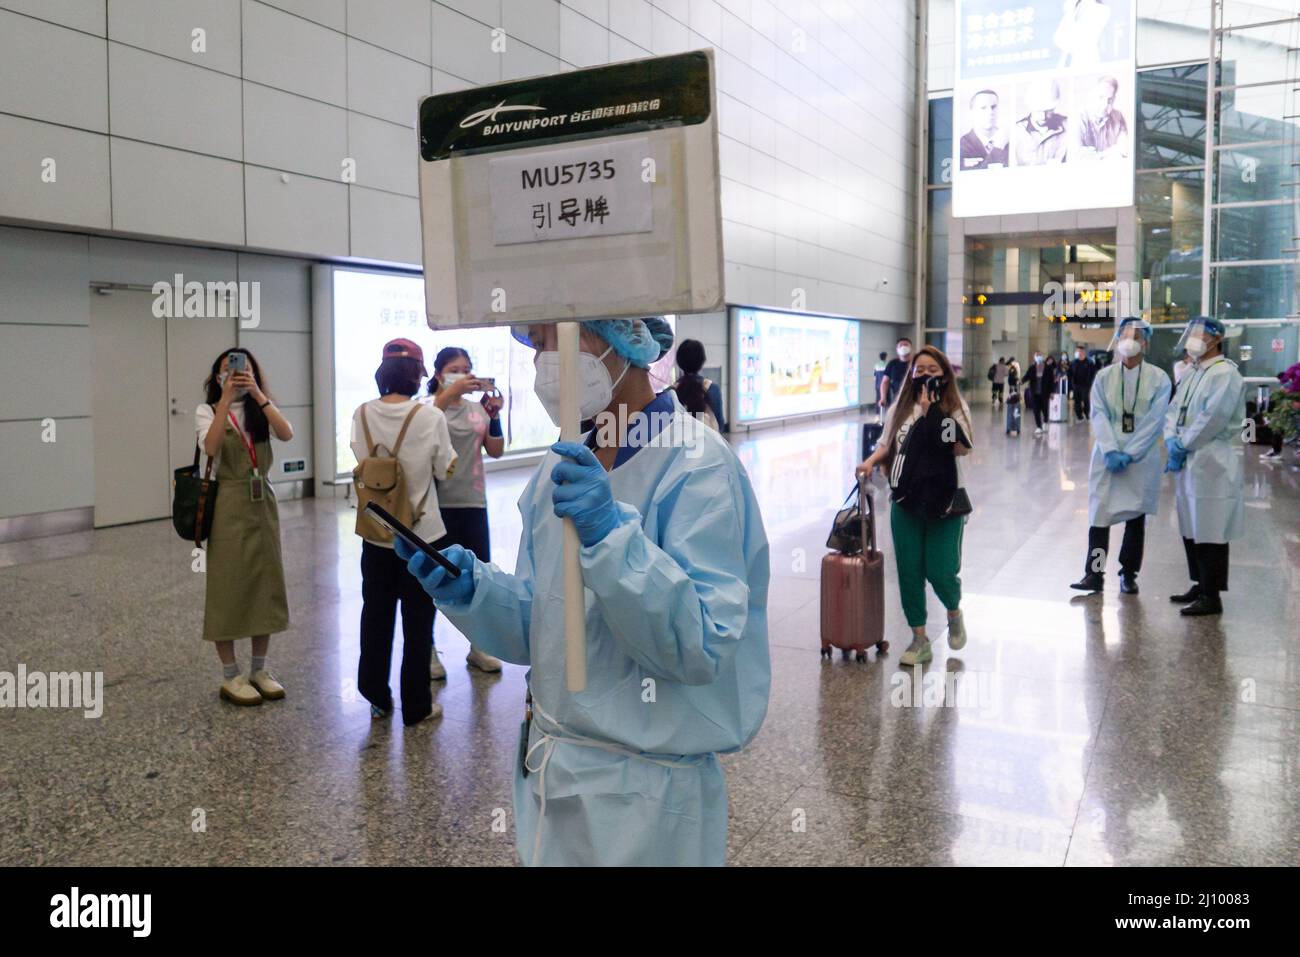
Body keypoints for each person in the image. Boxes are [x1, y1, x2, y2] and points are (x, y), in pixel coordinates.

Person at [396, 317, 770, 867]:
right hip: (554, 776)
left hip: (647, 797)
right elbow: (543, 621)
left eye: (550, 339)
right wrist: (472, 591)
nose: (540, 359)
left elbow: (702, 643)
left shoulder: (695, 465)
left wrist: (611, 538)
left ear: (619, 337)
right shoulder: (562, 465)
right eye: (534, 343)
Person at [351, 339, 457, 725]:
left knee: (375, 616)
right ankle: (418, 706)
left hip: (375, 532)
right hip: (422, 536)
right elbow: (446, 468)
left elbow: (363, 462)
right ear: (417, 374)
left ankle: (376, 696)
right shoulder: (430, 417)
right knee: (417, 621)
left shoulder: (361, 413)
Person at [857, 346, 972, 666]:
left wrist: (932, 412)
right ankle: (919, 638)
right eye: (919, 371)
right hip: (906, 498)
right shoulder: (901, 405)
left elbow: (960, 447)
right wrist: (869, 462)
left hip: (945, 502)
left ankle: (953, 611)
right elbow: (886, 443)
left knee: (941, 570)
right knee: (909, 571)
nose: (925, 377)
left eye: (933, 372)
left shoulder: (954, 406)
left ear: (945, 376)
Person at [196, 348, 293, 706]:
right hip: (229, 504)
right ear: (217, 376)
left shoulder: (261, 409)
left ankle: (259, 669)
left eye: (242, 370)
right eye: (227, 370)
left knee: (264, 583)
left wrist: (257, 394)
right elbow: (211, 446)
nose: (235, 374)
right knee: (227, 586)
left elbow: (286, 433)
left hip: (262, 502)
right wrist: (224, 401)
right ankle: (230, 674)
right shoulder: (206, 410)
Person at [1070, 320, 1172, 595]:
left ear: (1146, 343)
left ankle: (1128, 574)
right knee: (1099, 517)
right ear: (1117, 339)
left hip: (1140, 458)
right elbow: (1099, 414)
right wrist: (1111, 448)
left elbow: (1155, 420)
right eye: (1125, 335)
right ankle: (1094, 574)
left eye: (1136, 336)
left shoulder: (1159, 378)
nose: (1130, 340)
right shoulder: (1104, 376)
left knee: (1135, 519)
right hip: (1107, 455)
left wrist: (1131, 452)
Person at [427, 346, 505, 677]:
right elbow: (427, 422)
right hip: (437, 505)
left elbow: (497, 450)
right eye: (456, 369)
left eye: (467, 368)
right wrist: (450, 393)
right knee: (433, 576)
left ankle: (478, 646)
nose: (464, 374)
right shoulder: (430, 409)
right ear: (440, 374)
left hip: (474, 503)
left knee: (476, 576)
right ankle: (427, 648)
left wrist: (496, 414)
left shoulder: (477, 410)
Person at [1163, 317, 1246, 617]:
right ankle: (1198, 583)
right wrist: (1171, 439)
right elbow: (1174, 410)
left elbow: (1212, 419)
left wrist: (1183, 444)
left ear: (1215, 340)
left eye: (1198, 335)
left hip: (1211, 460)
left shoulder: (1225, 374)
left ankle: (1212, 595)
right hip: (1187, 459)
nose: (1192, 340)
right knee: (1190, 524)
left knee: (1209, 526)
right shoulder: (1193, 372)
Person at [672, 338, 727, 431]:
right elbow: (720, 425)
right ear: (702, 361)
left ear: (679, 361)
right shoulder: (712, 389)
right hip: (707, 443)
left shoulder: (670, 392)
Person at [1072, 75, 1129, 161]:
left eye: (1110, 100)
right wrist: (1110, 153)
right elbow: (1076, 155)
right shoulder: (1078, 118)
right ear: (1091, 96)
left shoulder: (1118, 117)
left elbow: (1125, 149)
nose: (1104, 105)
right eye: (1100, 97)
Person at [1013, 79, 1069, 166]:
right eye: (1038, 111)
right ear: (1030, 108)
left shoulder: (1068, 126)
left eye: (1048, 111)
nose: (1043, 116)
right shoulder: (1016, 131)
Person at [959, 90, 1009, 170]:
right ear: (972, 113)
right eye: (983, 108)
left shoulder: (1010, 142)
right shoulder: (962, 145)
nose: (990, 112)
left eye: (993, 107)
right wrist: (997, 148)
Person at [1023, 350, 1055, 434]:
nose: (1038, 357)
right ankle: (1038, 426)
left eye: (1039, 355)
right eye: (1036, 355)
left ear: (1042, 356)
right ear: (1034, 358)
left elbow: (1052, 381)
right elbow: (1027, 376)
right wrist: (1021, 381)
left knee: (1045, 409)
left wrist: (1052, 392)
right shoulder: (1032, 368)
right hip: (1035, 392)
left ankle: (1045, 421)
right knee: (1036, 410)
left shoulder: (1048, 368)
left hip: (1045, 392)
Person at [880, 337, 912, 408]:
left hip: (913, 398)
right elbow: (885, 382)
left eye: (906, 345)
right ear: (897, 349)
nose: (903, 347)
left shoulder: (916, 363)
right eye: (901, 345)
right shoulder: (892, 364)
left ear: (911, 348)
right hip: (896, 397)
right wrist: (883, 397)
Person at [1069, 344, 1096, 421]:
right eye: (1077, 351)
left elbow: (1093, 373)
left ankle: (1086, 413)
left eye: (1079, 351)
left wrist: (1091, 383)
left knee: (1085, 399)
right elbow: (1070, 373)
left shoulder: (1090, 362)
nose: (1078, 353)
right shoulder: (1073, 362)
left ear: (1083, 352)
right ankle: (1079, 416)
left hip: (1086, 385)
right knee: (1077, 401)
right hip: (1076, 385)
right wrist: (1071, 385)